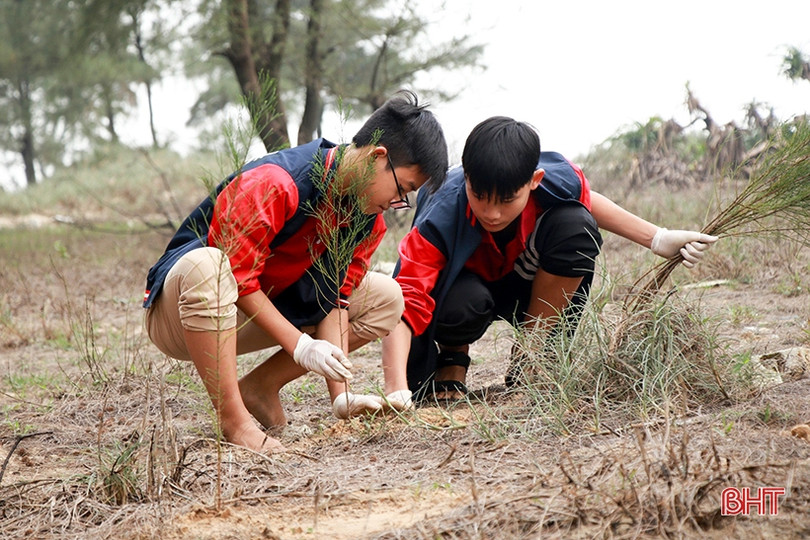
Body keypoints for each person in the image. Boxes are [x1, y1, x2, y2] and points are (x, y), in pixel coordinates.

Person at [142, 90, 448, 453]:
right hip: (185, 312)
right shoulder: (276, 183)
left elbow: (335, 300)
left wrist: (341, 396)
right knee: (211, 265)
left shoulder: (367, 220)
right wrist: (300, 345)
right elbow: (237, 277)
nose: (398, 203)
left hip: (251, 314)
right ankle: (233, 420)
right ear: (377, 156)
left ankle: (260, 386)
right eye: (403, 189)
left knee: (385, 297)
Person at [379, 116, 718, 403]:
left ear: (534, 181)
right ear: (466, 178)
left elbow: (587, 202)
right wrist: (396, 390)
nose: (492, 213)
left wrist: (658, 238)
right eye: (479, 197)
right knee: (458, 308)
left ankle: (533, 351)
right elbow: (406, 298)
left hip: (524, 279)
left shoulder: (557, 178)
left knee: (576, 226)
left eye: (508, 200)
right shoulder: (443, 210)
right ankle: (453, 358)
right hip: (462, 289)